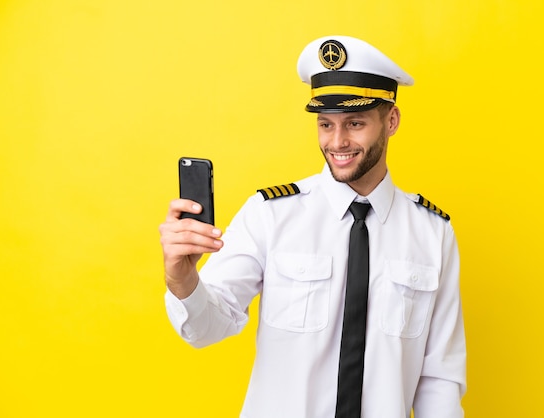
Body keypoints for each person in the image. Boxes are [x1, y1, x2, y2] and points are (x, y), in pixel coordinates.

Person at [160, 35, 466, 418]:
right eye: (325, 124)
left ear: (391, 121)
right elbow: (206, 328)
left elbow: (439, 378)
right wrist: (183, 280)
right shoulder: (270, 214)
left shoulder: (433, 233)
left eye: (354, 123)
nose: (337, 142)